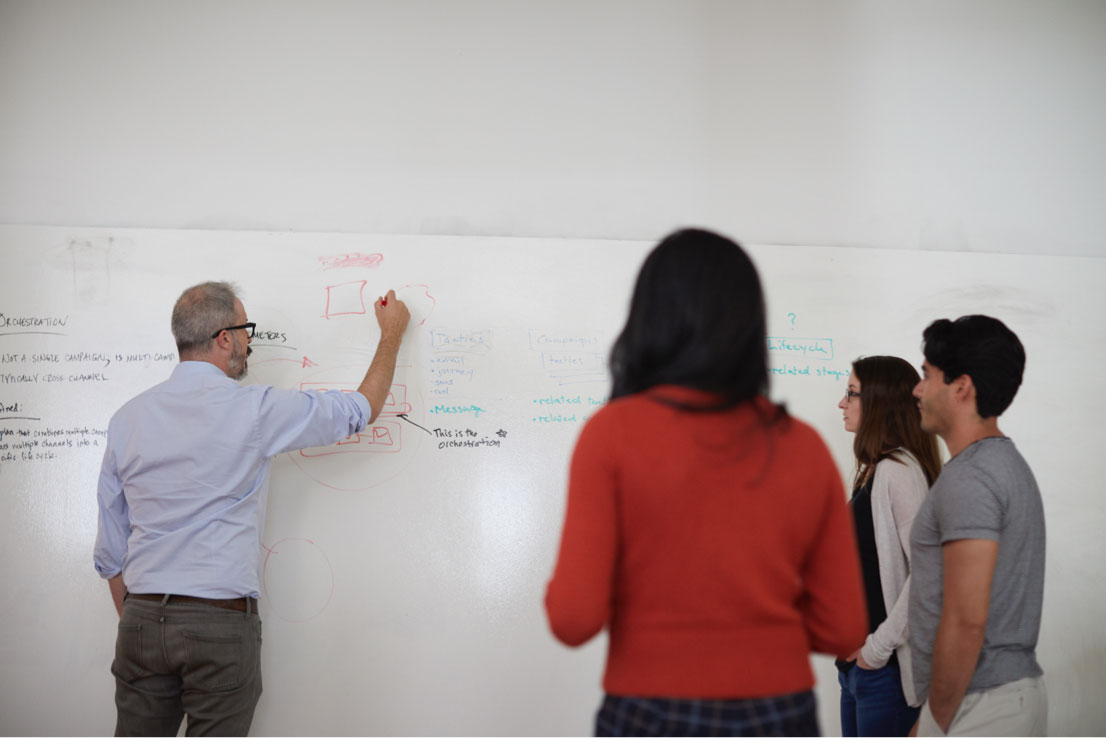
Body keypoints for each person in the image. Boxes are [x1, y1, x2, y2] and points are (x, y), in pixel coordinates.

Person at [544, 228, 867, 736]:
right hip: (779, 713)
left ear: (648, 318)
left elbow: (572, 618)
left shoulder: (612, 434)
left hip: (648, 709)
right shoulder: (802, 445)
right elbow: (844, 628)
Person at [93, 281, 410, 736]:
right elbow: (361, 409)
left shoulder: (127, 418)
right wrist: (391, 335)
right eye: (245, 330)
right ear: (225, 338)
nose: (249, 341)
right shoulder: (256, 409)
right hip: (218, 622)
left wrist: (147, 620)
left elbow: (110, 549)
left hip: (141, 620)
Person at [909, 315, 1046, 736]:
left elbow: (966, 618)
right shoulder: (1004, 464)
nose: (917, 390)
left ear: (961, 387)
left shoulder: (971, 477)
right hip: (995, 699)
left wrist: (934, 721)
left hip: (980, 704)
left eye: (926, 375)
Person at [835, 356, 942, 736]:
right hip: (859, 671)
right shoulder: (875, 470)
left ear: (880, 402)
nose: (841, 403)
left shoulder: (898, 471)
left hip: (883, 672)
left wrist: (875, 651)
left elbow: (931, 574)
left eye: (851, 393)